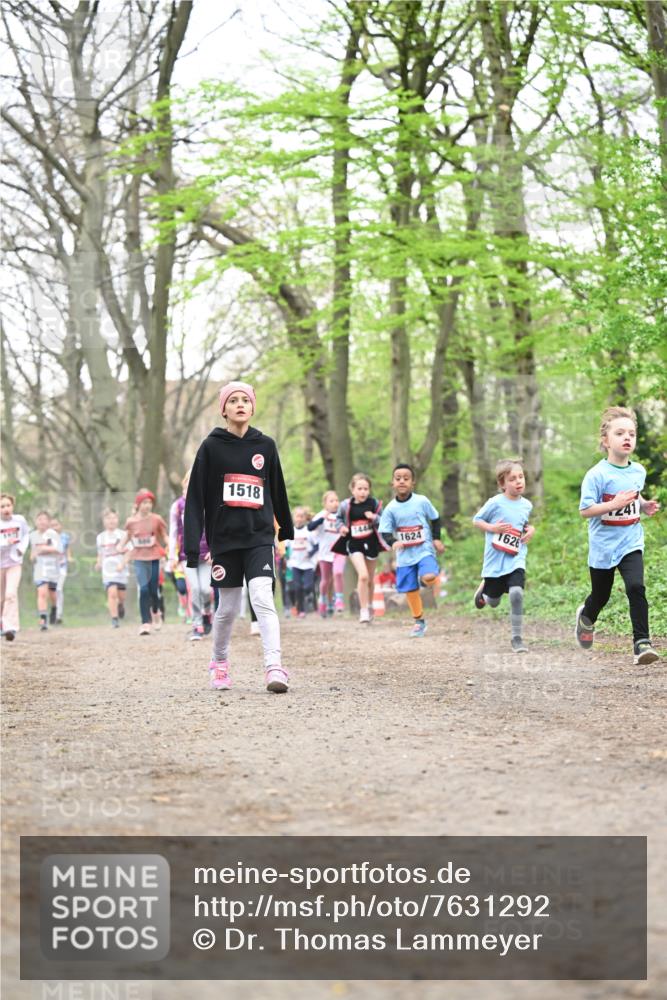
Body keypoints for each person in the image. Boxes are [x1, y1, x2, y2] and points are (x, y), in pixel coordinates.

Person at [184, 381, 294, 693]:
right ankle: (219, 663)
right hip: (225, 541)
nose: (240, 404)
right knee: (229, 608)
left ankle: (274, 666)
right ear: (224, 409)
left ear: (253, 406)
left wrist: (284, 529)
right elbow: (195, 499)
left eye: (245, 399)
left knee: (262, 597)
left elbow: (277, 489)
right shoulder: (210, 447)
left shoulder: (266, 446)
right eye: (233, 400)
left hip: (259, 537)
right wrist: (192, 547)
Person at [575, 406, 661, 664]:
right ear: (605, 440)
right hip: (603, 546)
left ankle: (641, 643)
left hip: (631, 541)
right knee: (601, 595)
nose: (627, 438)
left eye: (631, 434)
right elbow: (586, 511)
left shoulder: (638, 471)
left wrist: (643, 505)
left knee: (636, 587)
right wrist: (614, 504)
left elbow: (633, 494)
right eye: (620, 433)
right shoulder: (596, 475)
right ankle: (586, 618)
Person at [472, 459, 535, 653]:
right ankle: (485, 591)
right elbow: (477, 520)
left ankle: (517, 638)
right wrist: (492, 527)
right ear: (502, 484)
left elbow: (523, 524)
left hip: (516, 557)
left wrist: (530, 529)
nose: (518, 482)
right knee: (493, 601)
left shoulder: (527, 505)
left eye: (521, 477)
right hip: (495, 560)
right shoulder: (495, 503)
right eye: (512, 479)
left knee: (516, 593)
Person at [379, 464, 445, 637]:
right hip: (404, 556)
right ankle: (419, 621)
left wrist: (437, 539)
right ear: (392, 483)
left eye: (406, 478)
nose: (402, 481)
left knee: (429, 576)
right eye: (398, 478)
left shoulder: (421, 501)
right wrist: (393, 542)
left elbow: (435, 518)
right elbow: (385, 531)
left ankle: (427, 582)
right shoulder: (390, 509)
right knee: (410, 589)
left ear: (413, 482)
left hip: (424, 550)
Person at [332, 473, 388, 624]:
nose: (363, 492)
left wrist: (374, 518)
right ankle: (363, 610)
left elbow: (385, 522)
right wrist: (342, 527)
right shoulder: (345, 505)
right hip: (354, 544)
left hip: (371, 543)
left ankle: (369, 606)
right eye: (359, 488)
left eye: (366, 489)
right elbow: (337, 520)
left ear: (369, 490)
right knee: (362, 576)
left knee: (370, 578)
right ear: (352, 489)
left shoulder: (375, 504)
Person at [119, 489, 168, 636]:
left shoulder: (156, 519)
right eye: (144, 502)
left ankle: (156, 611)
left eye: (150, 502)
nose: (147, 505)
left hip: (154, 557)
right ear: (138, 504)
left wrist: (169, 544)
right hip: (139, 558)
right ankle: (145, 623)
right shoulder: (131, 521)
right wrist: (120, 546)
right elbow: (128, 536)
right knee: (144, 589)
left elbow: (164, 535)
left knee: (154, 590)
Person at [169, 471, 212, 641]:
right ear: (184, 486)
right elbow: (173, 532)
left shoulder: (207, 503)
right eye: (188, 485)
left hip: (206, 554)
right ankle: (197, 625)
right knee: (194, 588)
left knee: (206, 590)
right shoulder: (178, 506)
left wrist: (214, 550)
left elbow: (213, 529)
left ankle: (207, 613)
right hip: (187, 555)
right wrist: (172, 556)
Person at [0, 493, 30, 641]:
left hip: (14, 562)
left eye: (8, 505)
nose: (6, 509)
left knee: (10, 594)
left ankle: (9, 627)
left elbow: (26, 535)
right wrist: (6, 543)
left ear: (13, 506)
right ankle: (2, 623)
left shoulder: (20, 520)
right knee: (1, 597)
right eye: (2, 506)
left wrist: (21, 549)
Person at [308, 490, 342, 617]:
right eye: (331, 501)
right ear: (325, 503)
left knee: (337, 575)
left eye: (337, 500)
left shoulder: (341, 515)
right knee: (326, 580)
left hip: (338, 551)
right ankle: (322, 599)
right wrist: (322, 519)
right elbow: (310, 527)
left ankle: (336, 601)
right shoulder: (322, 515)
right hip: (324, 553)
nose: (335, 503)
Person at [29, 511, 62, 631]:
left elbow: (59, 549)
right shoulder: (32, 535)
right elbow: (33, 552)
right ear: (35, 522)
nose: (42, 521)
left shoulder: (53, 534)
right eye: (39, 519)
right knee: (42, 592)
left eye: (44, 519)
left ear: (48, 522)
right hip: (39, 568)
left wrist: (43, 548)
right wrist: (32, 556)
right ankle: (43, 619)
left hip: (53, 568)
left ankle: (54, 608)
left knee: (52, 594)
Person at [95, 508, 128, 627]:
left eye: (114, 518)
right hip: (108, 570)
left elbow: (129, 552)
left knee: (121, 595)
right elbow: (100, 553)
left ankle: (121, 605)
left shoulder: (123, 535)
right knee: (111, 592)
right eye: (108, 518)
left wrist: (123, 564)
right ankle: (114, 619)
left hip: (121, 568)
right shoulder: (100, 537)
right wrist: (98, 563)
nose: (111, 521)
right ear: (104, 521)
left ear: (118, 519)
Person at [288, 506, 317, 618]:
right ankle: (301, 610)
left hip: (308, 564)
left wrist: (310, 553)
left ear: (305, 518)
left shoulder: (308, 531)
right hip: (295, 564)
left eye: (301, 516)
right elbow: (286, 547)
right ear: (294, 518)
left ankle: (308, 598)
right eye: (297, 516)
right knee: (298, 587)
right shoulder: (290, 531)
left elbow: (316, 545)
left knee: (308, 586)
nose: (299, 519)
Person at [50, 516, 71, 625]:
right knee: (51, 591)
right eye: (52, 526)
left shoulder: (65, 537)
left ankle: (59, 615)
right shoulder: (47, 538)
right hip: (49, 568)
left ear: (60, 526)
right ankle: (52, 610)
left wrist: (70, 557)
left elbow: (67, 549)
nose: (54, 528)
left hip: (62, 566)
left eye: (56, 525)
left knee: (58, 589)